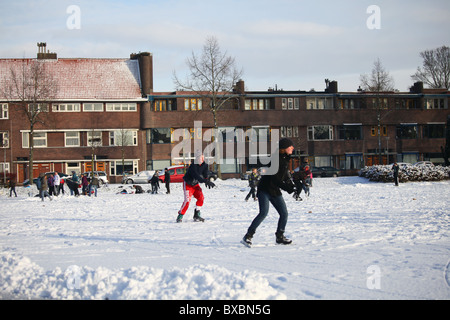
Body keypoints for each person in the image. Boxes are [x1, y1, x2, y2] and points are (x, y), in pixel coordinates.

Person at [242, 138, 296, 247]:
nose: (292, 148)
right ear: (284, 148)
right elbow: (275, 178)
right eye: (290, 146)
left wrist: (291, 184)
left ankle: (279, 237)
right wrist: (287, 188)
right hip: (265, 189)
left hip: (274, 190)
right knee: (263, 213)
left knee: (284, 213)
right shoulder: (276, 159)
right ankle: (248, 236)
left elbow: (284, 175)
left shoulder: (285, 159)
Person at [176, 152, 216, 223]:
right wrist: (205, 181)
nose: (202, 159)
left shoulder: (204, 165)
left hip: (195, 185)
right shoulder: (193, 166)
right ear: (197, 158)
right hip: (188, 184)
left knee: (201, 198)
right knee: (187, 201)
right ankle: (180, 215)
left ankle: (197, 214)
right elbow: (196, 176)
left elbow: (205, 174)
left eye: (203, 157)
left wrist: (207, 179)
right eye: (200, 157)